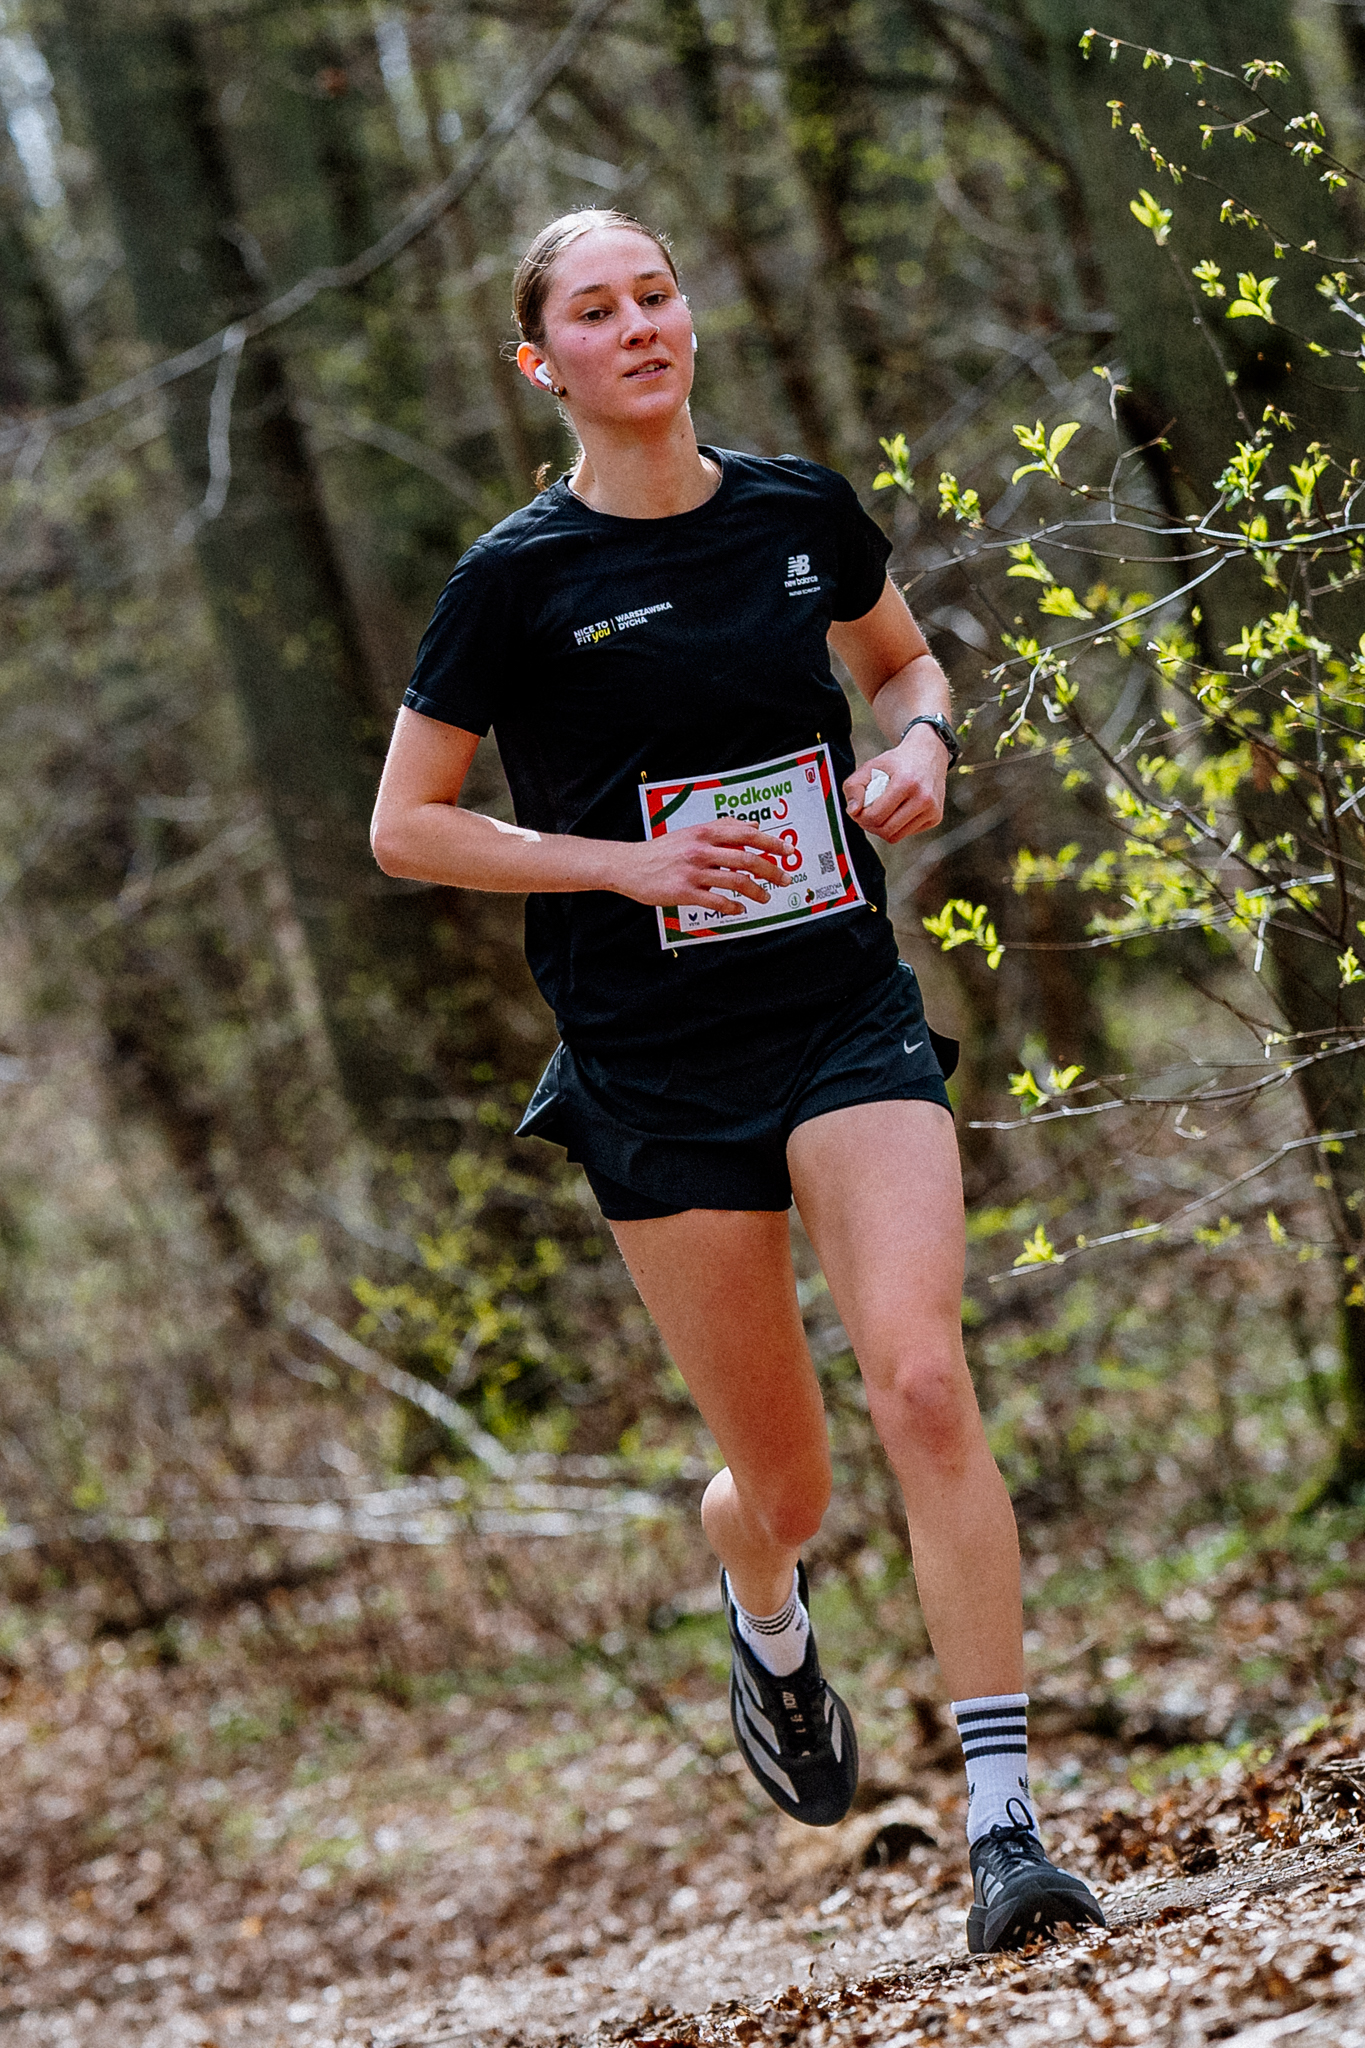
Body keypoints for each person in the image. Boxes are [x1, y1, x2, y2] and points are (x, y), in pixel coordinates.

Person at [370, 207, 1104, 1955]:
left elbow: (902, 659)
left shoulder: (794, 512)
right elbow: (406, 827)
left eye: (656, 294)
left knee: (921, 1381)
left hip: (841, 1014)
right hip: (651, 1067)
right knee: (786, 1487)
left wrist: (920, 743)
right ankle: (761, 1602)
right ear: (541, 364)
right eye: (595, 311)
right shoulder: (514, 581)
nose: (639, 326)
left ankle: (1004, 1829)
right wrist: (617, 867)